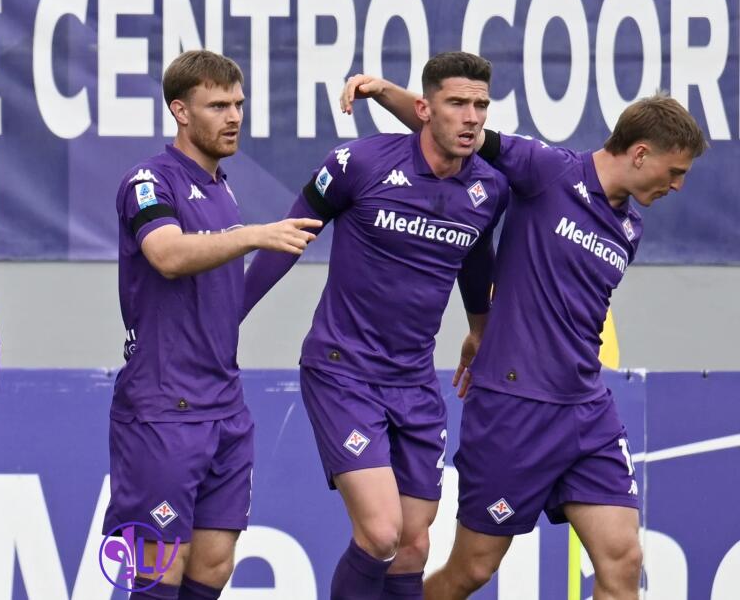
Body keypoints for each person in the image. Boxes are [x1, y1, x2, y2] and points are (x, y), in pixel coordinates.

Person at [347, 75, 707, 599]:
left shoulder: (630, 229)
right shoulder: (549, 171)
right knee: (471, 570)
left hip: (587, 411)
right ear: (641, 153)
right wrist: (384, 94)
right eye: (674, 172)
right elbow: (457, 133)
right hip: (513, 408)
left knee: (624, 561)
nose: (676, 186)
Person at [242, 52, 508, 600]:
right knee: (381, 530)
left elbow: (477, 263)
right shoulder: (356, 163)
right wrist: (226, 318)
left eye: (480, 104)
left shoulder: (490, 190)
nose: (471, 116)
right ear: (424, 109)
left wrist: (479, 329)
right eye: (457, 103)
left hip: (414, 382)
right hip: (343, 371)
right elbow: (289, 238)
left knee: (413, 543)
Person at [103, 49, 321, 599]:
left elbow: (224, 298)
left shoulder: (222, 186)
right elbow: (169, 255)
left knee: (214, 565)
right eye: (217, 105)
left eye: (239, 104)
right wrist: (254, 235)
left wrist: (277, 245)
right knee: (161, 567)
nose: (233, 117)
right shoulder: (149, 181)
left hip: (224, 404)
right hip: (162, 405)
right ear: (180, 110)